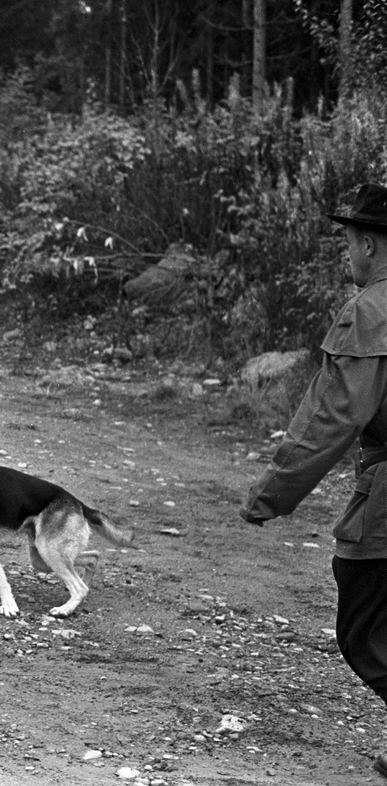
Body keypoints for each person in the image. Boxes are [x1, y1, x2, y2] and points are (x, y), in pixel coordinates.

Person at [240, 182, 387, 777]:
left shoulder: (371, 312)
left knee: (365, 629)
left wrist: (271, 495)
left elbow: (332, 417)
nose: (346, 254)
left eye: (350, 242)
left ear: (371, 245)